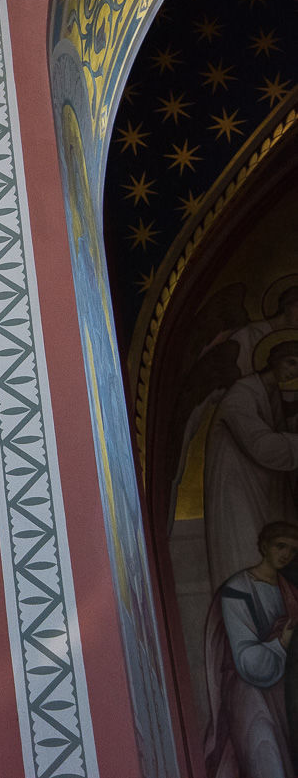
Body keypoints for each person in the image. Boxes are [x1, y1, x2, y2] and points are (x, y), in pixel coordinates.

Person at [205, 520, 298, 777]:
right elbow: (247, 659)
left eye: (293, 550)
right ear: (264, 546)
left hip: (284, 690)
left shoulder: (290, 589)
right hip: (250, 691)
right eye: (280, 546)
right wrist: (282, 643)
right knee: (267, 759)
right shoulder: (238, 588)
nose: (286, 554)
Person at [205, 333, 298, 590]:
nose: (294, 371)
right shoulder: (241, 394)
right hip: (238, 488)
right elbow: (263, 447)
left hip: (263, 487)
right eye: (291, 362)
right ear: (274, 359)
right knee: (246, 550)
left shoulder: (273, 393)